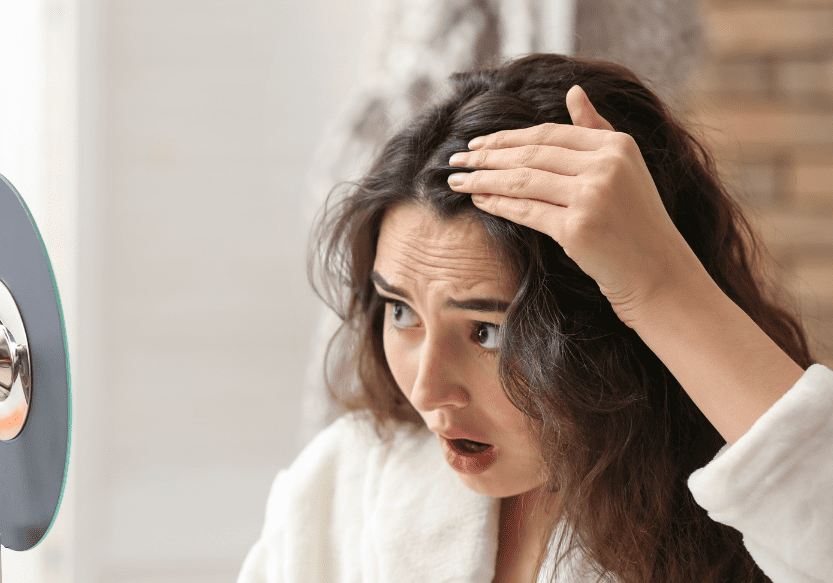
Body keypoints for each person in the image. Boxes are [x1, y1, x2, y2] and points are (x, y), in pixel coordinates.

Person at [237, 54, 833, 583]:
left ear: (611, 333)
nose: (427, 388)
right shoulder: (343, 482)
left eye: (487, 332)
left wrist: (661, 282)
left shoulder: (745, 523)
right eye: (400, 311)